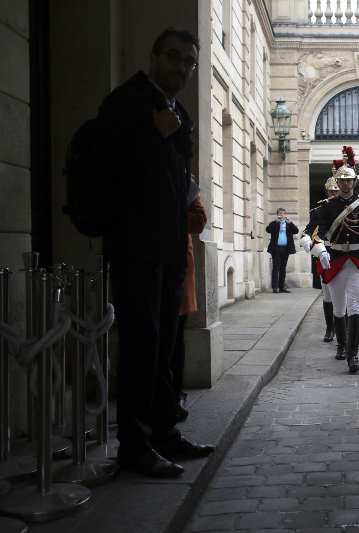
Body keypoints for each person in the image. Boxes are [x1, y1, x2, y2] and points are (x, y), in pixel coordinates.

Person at [96, 27, 213, 477]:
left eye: (188, 62)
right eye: (173, 57)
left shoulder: (176, 110)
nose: (181, 67)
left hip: (168, 250)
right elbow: (108, 169)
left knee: (166, 349)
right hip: (134, 248)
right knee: (142, 349)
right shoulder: (126, 102)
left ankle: (165, 435)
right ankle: (135, 445)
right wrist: (152, 135)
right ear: (153, 56)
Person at [300, 146, 359, 372]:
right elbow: (318, 231)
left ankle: (353, 356)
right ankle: (342, 345)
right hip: (334, 257)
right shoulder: (327, 207)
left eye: (349, 181)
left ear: (355, 182)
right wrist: (320, 250)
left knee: (354, 306)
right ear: (337, 182)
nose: (345, 184)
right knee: (338, 308)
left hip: (356, 259)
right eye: (342, 181)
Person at [172, 179, 207, 421]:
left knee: (175, 338)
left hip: (176, 265)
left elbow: (198, 221)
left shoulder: (184, 180)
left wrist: (166, 213)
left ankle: (173, 394)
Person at [314, 176, 341, 344]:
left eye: (336, 191)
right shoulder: (320, 209)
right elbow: (313, 232)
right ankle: (330, 328)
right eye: (331, 191)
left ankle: (343, 325)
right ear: (327, 192)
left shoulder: (350, 208)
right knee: (328, 294)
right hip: (326, 252)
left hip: (343, 253)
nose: (334, 193)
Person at [266, 208, 298, 293]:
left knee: (283, 268)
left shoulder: (287, 224)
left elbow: (296, 231)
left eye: (283, 213)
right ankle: (275, 287)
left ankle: (282, 286)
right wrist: (276, 222)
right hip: (276, 248)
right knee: (276, 267)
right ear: (277, 214)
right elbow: (268, 230)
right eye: (280, 213)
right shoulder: (274, 223)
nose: (282, 215)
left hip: (285, 249)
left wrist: (290, 222)